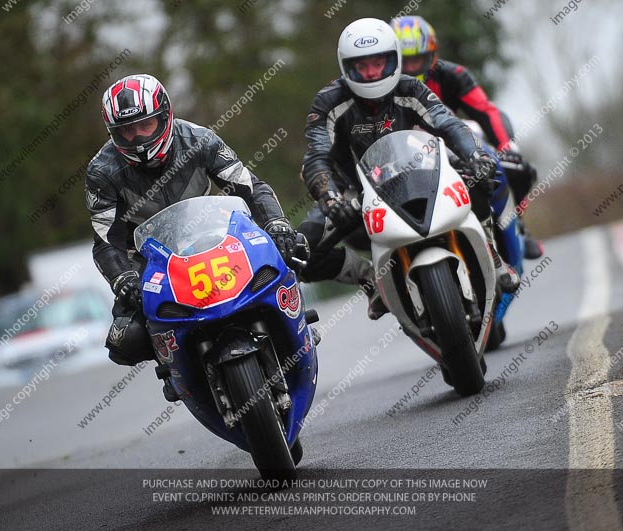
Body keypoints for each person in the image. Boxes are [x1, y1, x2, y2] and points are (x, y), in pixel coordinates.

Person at [85, 73, 299, 397]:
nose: (139, 138)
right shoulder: (102, 171)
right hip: (150, 260)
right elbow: (105, 241)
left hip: (214, 240)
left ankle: (291, 333)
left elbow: (252, 189)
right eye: (126, 131)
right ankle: (172, 367)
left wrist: (278, 225)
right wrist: (124, 279)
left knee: (294, 252)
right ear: (113, 133)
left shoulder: (200, 139)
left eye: (146, 125)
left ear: (165, 115)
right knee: (125, 340)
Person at [298, 18, 520, 320]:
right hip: (354, 190)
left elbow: (449, 124)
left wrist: (474, 154)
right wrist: (330, 198)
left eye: (379, 63)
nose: (373, 73)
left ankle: (490, 250)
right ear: (346, 67)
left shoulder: (410, 87)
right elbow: (316, 156)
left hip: (421, 170)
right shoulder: (328, 102)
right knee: (301, 253)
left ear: (394, 59)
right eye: (362, 67)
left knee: (482, 170)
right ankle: (368, 278)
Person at [390, 15, 544, 259]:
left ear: (432, 56)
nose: (410, 69)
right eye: (403, 62)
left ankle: (518, 225)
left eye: (417, 60)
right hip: (406, 158)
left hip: (454, 144)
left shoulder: (454, 75)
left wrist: (507, 146)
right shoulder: (379, 90)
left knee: (517, 168)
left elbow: (486, 111)